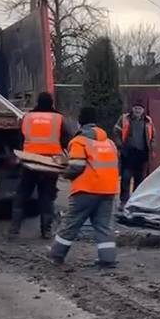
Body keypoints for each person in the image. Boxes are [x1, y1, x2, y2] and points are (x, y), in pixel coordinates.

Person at [50, 106, 119, 268]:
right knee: (104, 225)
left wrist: (64, 174)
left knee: (71, 223)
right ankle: (108, 259)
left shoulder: (79, 141)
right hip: (108, 190)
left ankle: (56, 255)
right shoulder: (109, 143)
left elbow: (76, 166)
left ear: (80, 123)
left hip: (86, 190)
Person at [9, 92, 72, 239]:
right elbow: (67, 140)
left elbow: (19, 138)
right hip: (49, 164)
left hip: (29, 162)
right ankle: (46, 231)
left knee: (22, 195)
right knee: (46, 197)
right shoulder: (58, 118)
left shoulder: (27, 117)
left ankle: (14, 230)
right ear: (51, 103)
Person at [114, 100, 155, 208]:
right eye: (136, 108)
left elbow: (153, 135)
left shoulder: (148, 121)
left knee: (139, 179)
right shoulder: (124, 119)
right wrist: (120, 145)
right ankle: (124, 201)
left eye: (140, 109)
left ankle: (135, 202)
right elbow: (116, 132)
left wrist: (152, 147)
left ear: (143, 110)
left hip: (142, 154)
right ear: (132, 109)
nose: (138, 110)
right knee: (126, 178)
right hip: (128, 153)